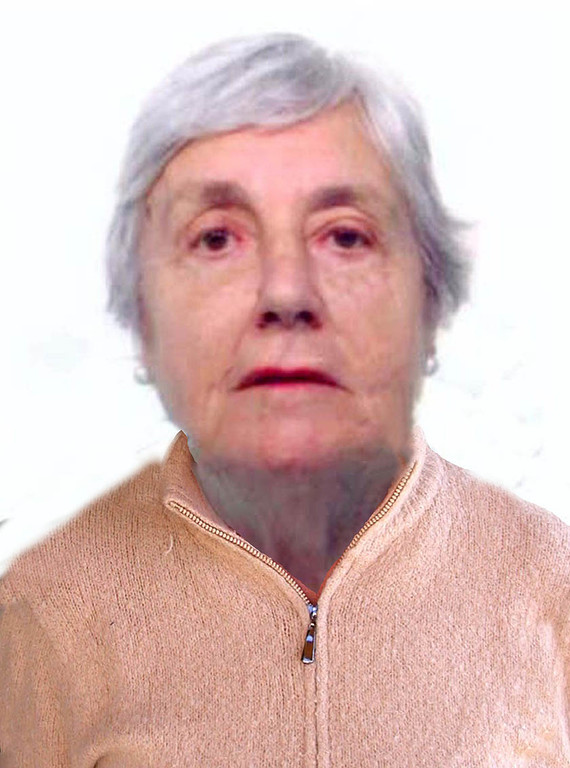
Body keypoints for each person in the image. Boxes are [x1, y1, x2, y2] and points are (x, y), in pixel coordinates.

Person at [1, 32, 568, 767]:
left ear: (430, 303)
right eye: (216, 239)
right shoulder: (39, 616)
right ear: (142, 321)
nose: (287, 293)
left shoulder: (552, 589)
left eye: (345, 237)